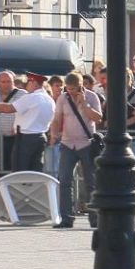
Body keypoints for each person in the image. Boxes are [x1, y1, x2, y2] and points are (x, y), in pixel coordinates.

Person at [50, 72, 101, 229]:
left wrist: (84, 104)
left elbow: (98, 118)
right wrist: (54, 133)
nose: (71, 91)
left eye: (74, 88)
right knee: (64, 180)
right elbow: (57, 118)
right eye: (68, 88)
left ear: (81, 86)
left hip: (86, 144)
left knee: (91, 182)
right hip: (67, 144)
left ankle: (95, 218)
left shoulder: (92, 97)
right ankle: (66, 218)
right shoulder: (62, 98)